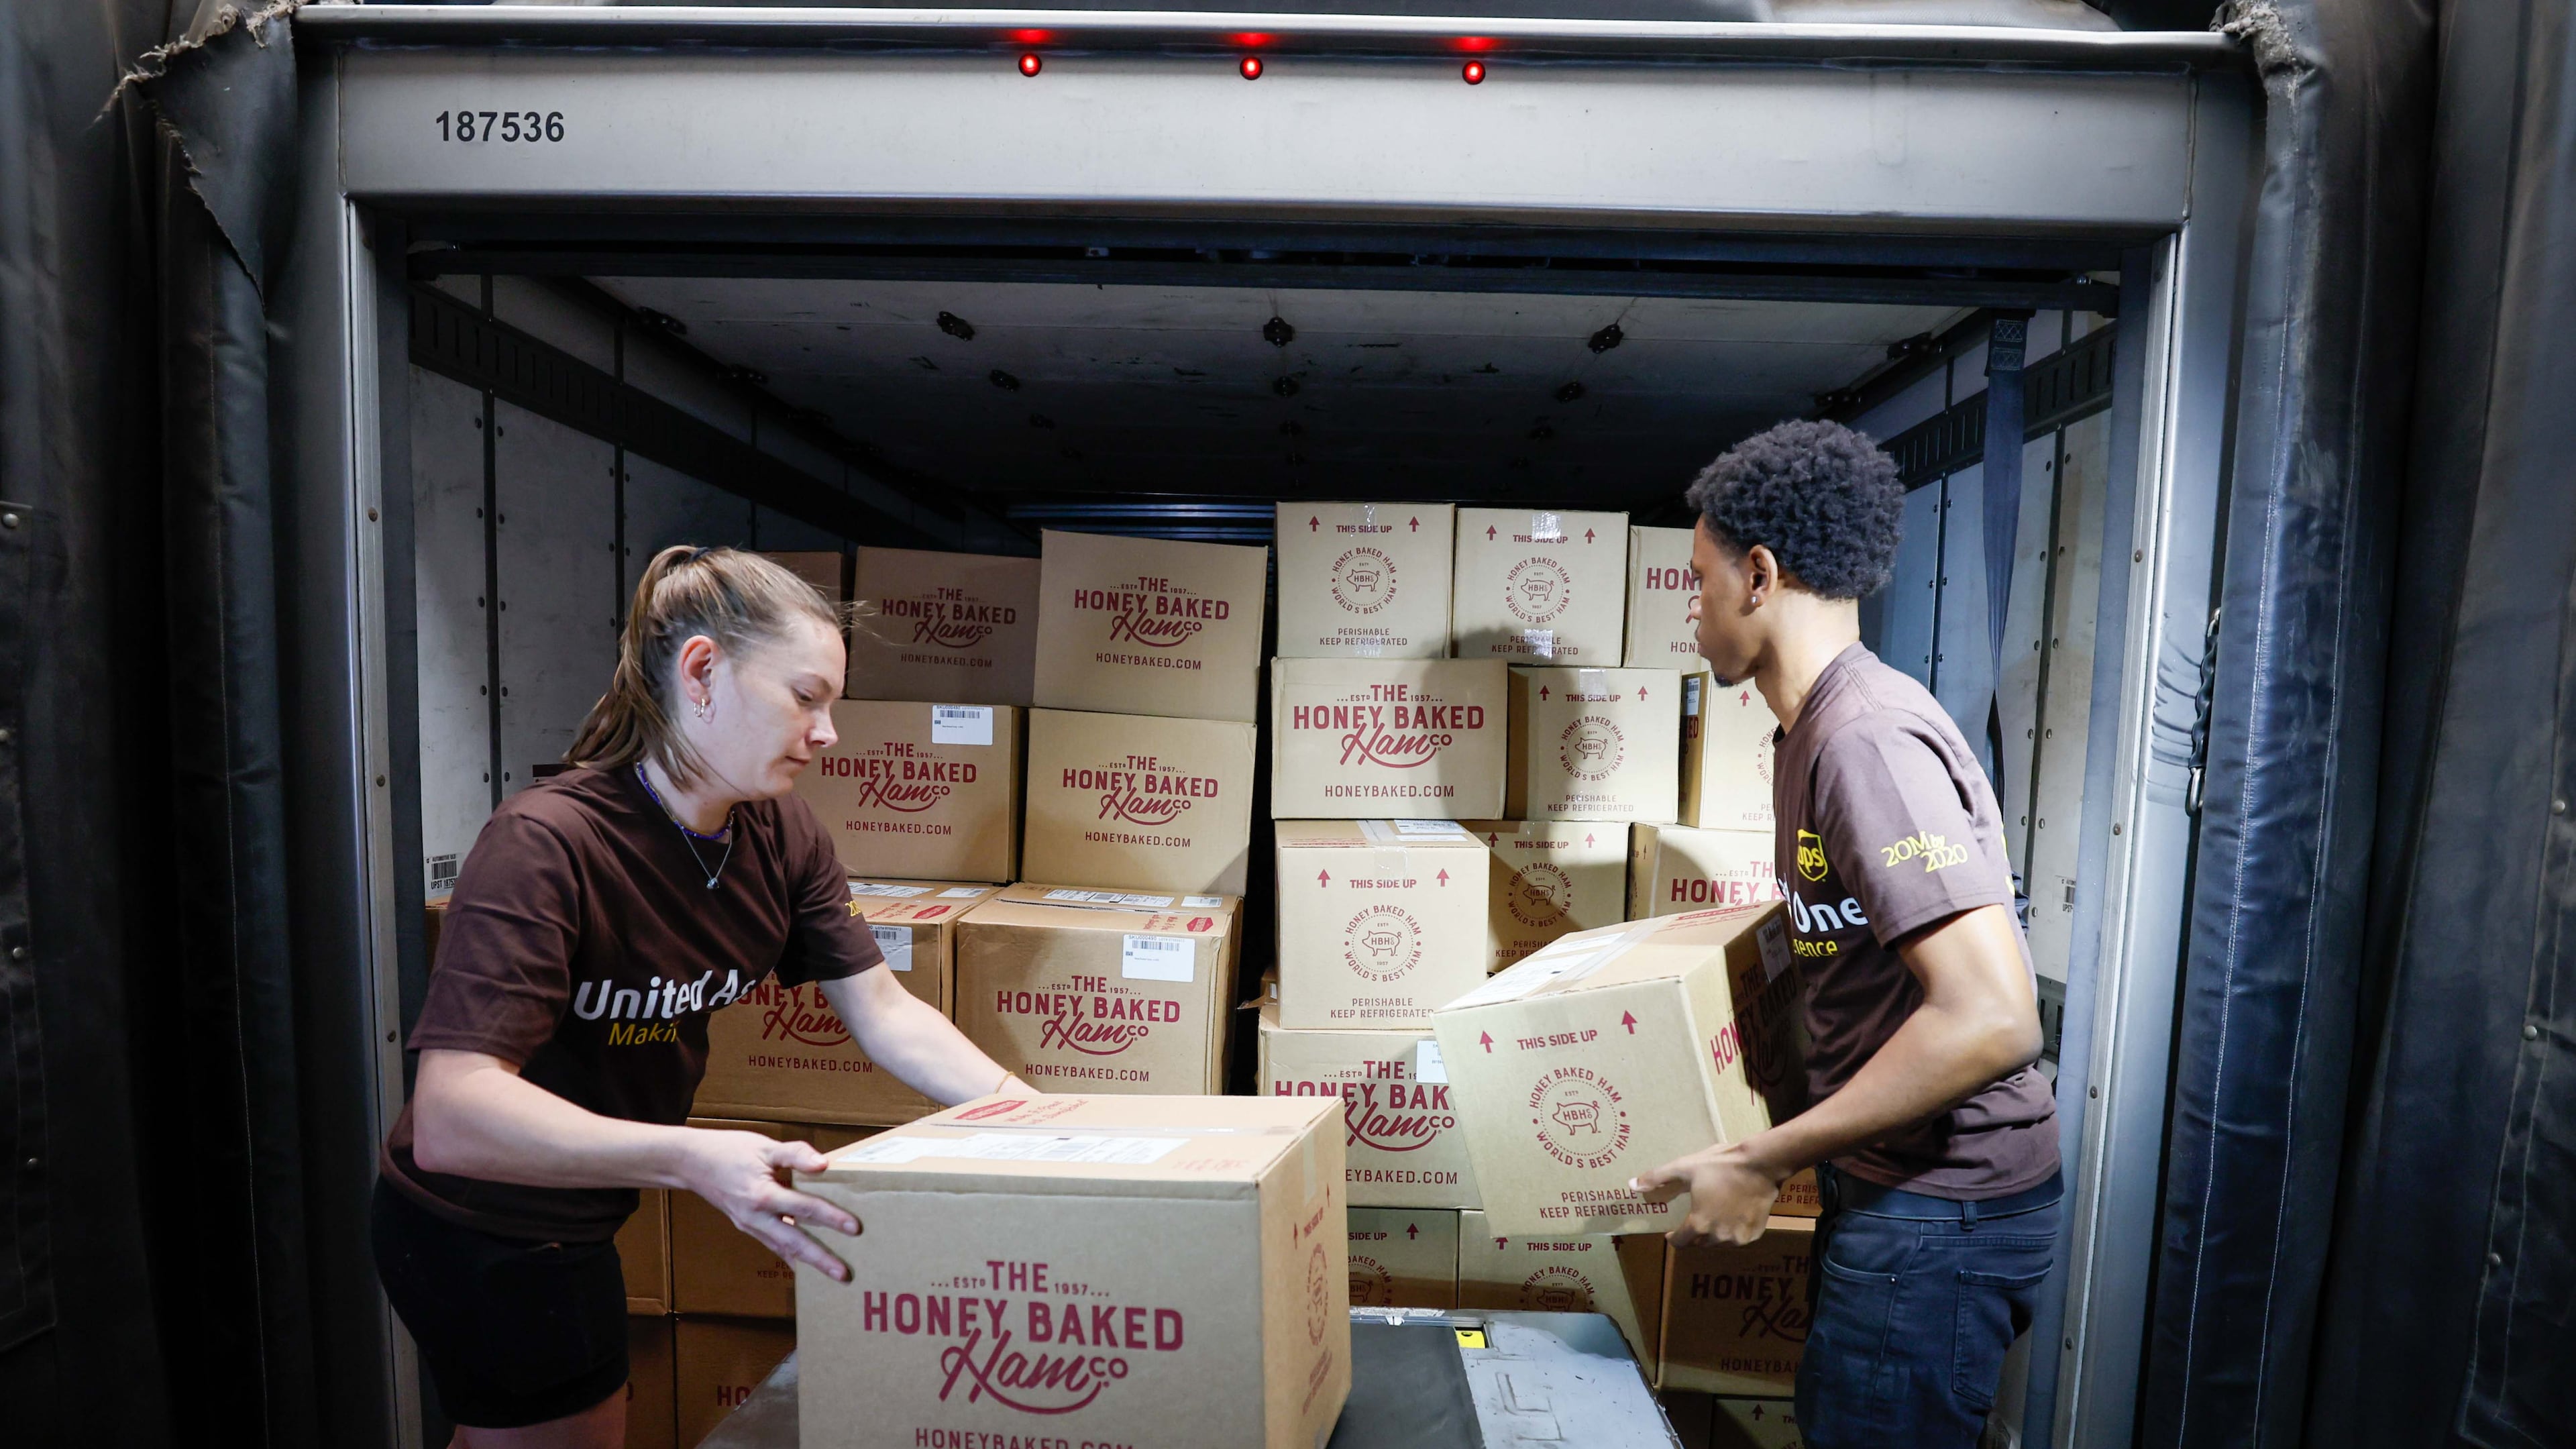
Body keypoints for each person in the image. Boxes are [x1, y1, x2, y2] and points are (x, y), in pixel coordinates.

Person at [372, 546, 1026, 1448]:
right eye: (806, 697)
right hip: (481, 1226)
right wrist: (694, 1158)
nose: (828, 732)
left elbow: (885, 1011)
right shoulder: (546, 846)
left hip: (583, 1211)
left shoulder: (778, 830)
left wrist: (1032, 1114)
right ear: (703, 671)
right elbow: (453, 1115)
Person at [1632, 420, 2061, 1448]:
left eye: (1699, 580)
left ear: (1760, 576)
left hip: (1940, 1218)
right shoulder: (1815, 730)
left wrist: (1765, 1157)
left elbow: (1996, 1020)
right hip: (1902, 1204)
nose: (1691, 611)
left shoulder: (1865, 739)